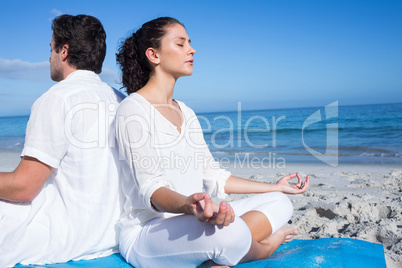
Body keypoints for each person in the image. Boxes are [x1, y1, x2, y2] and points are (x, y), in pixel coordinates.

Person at [115, 17, 309, 268]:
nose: (191, 50)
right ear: (154, 55)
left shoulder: (186, 111)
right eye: (181, 44)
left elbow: (213, 176)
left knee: (279, 202)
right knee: (231, 232)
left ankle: (213, 256)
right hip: (150, 232)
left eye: (190, 44)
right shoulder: (133, 109)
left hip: (198, 220)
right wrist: (188, 204)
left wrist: (275, 186)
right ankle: (265, 248)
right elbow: (152, 190)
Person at [0, 14, 125, 267]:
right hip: (112, 234)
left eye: (51, 49)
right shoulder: (121, 100)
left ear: (64, 51)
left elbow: (23, 188)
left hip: (70, 235)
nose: (49, 58)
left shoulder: (57, 99)